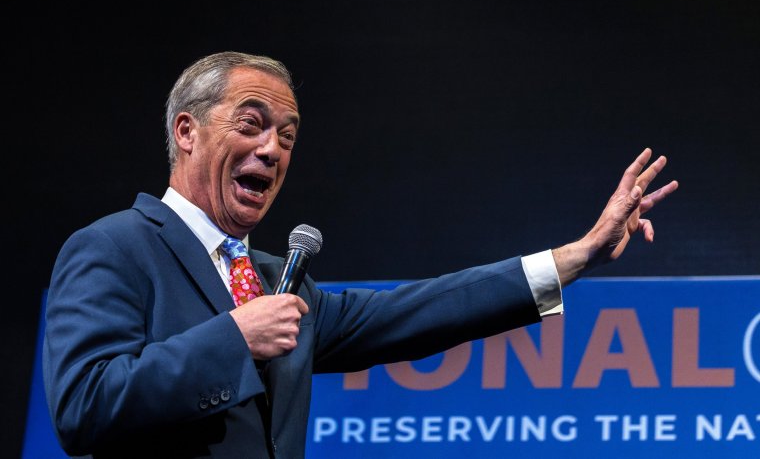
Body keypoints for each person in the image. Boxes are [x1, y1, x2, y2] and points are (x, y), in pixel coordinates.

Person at [43, 51, 678, 458]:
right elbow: (83, 406)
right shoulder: (114, 246)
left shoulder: (275, 281)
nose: (272, 150)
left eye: (287, 137)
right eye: (251, 123)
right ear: (187, 131)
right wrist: (234, 338)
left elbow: (421, 311)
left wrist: (577, 255)